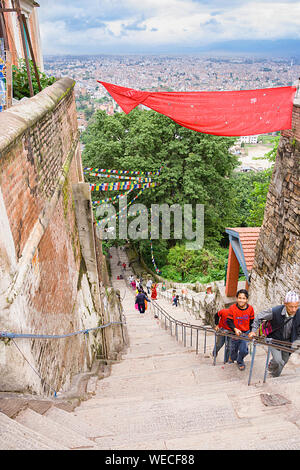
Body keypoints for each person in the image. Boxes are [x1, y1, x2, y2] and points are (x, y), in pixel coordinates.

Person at [249, 291, 300, 377]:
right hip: (274, 340)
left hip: (289, 342)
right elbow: (259, 317)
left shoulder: (298, 313)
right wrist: (253, 331)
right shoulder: (275, 311)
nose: (294, 310)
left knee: (284, 362)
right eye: (291, 307)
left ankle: (275, 376)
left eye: (296, 306)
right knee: (278, 361)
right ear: (285, 304)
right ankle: (273, 372)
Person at [226, 289, 255, 371]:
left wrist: (252, 331)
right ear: (237, 298)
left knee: (244, 350)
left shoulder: (250, 309)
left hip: (245, 333)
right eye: (239, 298)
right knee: (233, 349)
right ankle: (232, 358)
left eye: (243, 298)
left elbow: (252, 321)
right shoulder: (232, 308)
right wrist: (235, 329)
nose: (241, 300)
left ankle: (240, 361)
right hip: (235, 333)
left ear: (247, 299)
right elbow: (229, 321)